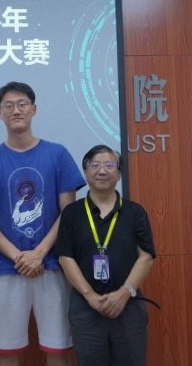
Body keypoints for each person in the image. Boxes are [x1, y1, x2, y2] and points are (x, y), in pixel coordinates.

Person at [0, 81, 85, 366]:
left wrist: (39, 253)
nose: (16, 110)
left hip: (53, 266)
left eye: (22, 104)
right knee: (6, 352)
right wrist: (18, 256)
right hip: (5, 267)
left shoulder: (57, 154)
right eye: (8, 106)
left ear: (33, 109)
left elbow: (68, 213)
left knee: (58, 350)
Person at [55, 145, 156, 366]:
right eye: (95, 165)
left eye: (109, 165)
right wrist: (90, 296)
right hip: (86, 307)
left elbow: (146, 256)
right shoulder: (72, 213)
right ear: (86, 171)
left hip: (128, 305)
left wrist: (124, 293)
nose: (102, 171)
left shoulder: (135, 212)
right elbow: (65, 257)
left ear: (119, 173)